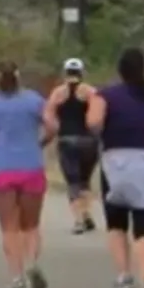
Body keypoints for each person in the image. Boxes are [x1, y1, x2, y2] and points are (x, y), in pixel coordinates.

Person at [88, 48, 144, 288]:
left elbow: (94, 122)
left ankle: (124, 277)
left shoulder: (106, 95)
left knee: (117, 223)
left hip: (116, 161)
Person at [0, 61, 52, 288]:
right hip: (31, 166)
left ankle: (17, 278)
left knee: (9, 227)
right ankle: (33, 264)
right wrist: (41, 142)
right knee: (31, 225)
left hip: (1, 168)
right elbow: (52, 125)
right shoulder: (35, 101)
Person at [46, 58, 100, 234]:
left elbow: (49, 117)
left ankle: (78, 220)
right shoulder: (91, 92)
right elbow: (97, 117)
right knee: (85, 180)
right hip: (88, 141)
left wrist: (51, 134)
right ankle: (86, 214)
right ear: (82, 73)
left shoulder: (57, 93)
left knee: (73, 182)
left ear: (65, 72)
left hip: (67, 140)